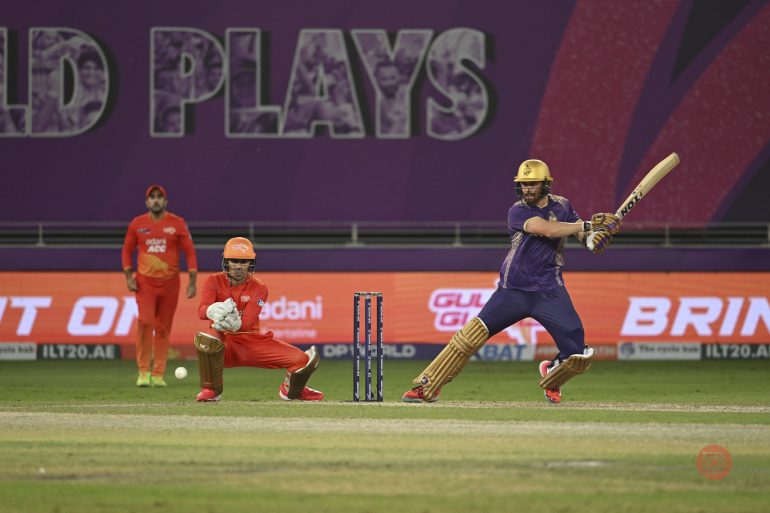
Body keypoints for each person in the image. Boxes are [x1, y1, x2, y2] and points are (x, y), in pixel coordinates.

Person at [402, 159, 621, 404]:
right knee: (469, 337)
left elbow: (585, 238)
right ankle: (427, 386)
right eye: (523, 184)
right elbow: (546, 229)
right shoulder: (517, 211)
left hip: (549, 291)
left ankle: (553, 375)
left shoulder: (563, 206)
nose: (527, 188)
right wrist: (590, 224)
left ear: (546, 184)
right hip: (513, 291)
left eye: (532, 183)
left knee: (579, 354)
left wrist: (599, 237)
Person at [193, 237, 324, 402]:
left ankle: (291, 390)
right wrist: (212, 311)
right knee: (207, 340)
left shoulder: (259, 287)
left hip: (252, 343)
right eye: (234, 261)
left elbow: (247, 323)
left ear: (251, 263)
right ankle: (210, 390)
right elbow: (201, 311)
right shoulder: (213, 281)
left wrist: (235, 323)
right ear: (226, 261)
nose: (239, 266)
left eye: (244, 261)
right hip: (225, 345)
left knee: (304, 360)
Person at [122, 185, 198, 387]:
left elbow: (189, 252)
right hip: (145, 283)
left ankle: (157, 374)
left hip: (170, 283)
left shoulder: (177, 223)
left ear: (165, 201)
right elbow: (126, 251)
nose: (156, 200)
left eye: (159, 197)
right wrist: (129, 276)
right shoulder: (137, 224)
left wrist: (192, 281)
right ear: (147, 202)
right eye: (152, 197)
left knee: (163, 329)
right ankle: (143, 372)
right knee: (145, 322)